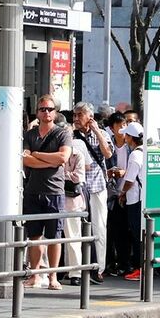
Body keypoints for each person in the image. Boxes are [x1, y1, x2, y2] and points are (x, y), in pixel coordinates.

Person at [22, 95, 72, 290]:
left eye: (50, 109)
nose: (47, 112)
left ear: (55, 111)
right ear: (37, 112)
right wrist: (45, 160)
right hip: (33, 190)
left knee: (54, 237)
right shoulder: (30, 135)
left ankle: (52, 277)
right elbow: (24, 160)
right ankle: (35, 275)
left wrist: (36, 155)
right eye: (43, 109)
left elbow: (62, 157)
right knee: (34, 237)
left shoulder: (62, 133)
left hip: (55, 191)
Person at [72, 102, 113, 285]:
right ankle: (75, 270)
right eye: (75, 115)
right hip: (77, 188)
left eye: (80, 115)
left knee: (99, 227)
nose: (76, 119)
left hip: (97, 186)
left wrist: (97, 131)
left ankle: (98, 267)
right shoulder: (71, 135)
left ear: (90, 117)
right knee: (76, 229)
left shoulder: (102, 134)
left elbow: (108, 154)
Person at [117, 122, 145, 281]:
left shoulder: (135, 155)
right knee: (141, 234)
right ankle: (142, 267)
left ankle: (139, 268)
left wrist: (122, 193)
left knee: (137, 235)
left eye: (126, 135)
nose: (125, 138)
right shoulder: (145, 151)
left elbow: (129, 180)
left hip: (135, 199)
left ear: (131, 138)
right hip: (143, 198)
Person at [105, 111, 130, 276]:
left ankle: (124, 262)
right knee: (111, 229)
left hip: (127, 192)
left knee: (124, 231)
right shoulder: (108, 145)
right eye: (119, 126)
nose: (123, 128)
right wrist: (111, 173)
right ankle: (110, 262)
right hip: (111, 193)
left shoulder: (130, 146)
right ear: (112, 128)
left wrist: (125, 173)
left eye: (125, 125)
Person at [62, 124, 87, 286]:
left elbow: (79, 177)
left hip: (72, 200)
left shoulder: (78, 155)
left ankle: (76, 272)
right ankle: (61, 270)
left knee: (73, 237)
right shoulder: (55, 153)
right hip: (56, 198)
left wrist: (62, 174)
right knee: (55, 238)